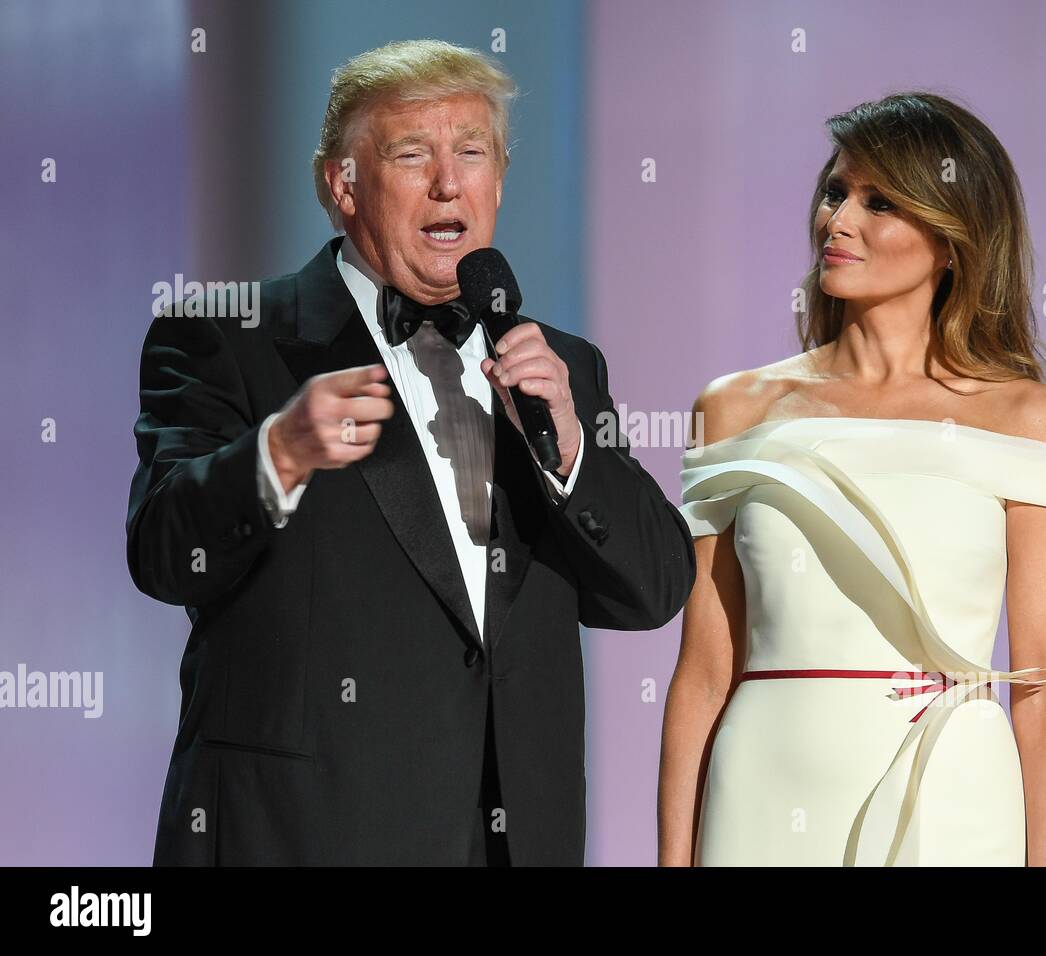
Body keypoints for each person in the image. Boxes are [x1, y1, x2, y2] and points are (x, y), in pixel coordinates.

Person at [127, 38, 695, 866]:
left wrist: (571, 450)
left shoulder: (561, 366)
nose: (447, 182)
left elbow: (651, 591)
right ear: (342, 184)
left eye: (471, 153)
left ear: (498, 180)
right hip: (302, 833)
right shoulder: (228, 336)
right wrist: (278, 453)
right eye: (410, 154)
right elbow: (165, 556)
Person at [658, 92, 1046, 866]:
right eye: (835, 192)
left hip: (952, 796)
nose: (838, 221)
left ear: (952, 240)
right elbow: (703, 672)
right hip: (761, 790)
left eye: (878, 201)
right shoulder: (735, 407)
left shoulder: (1024, 416)